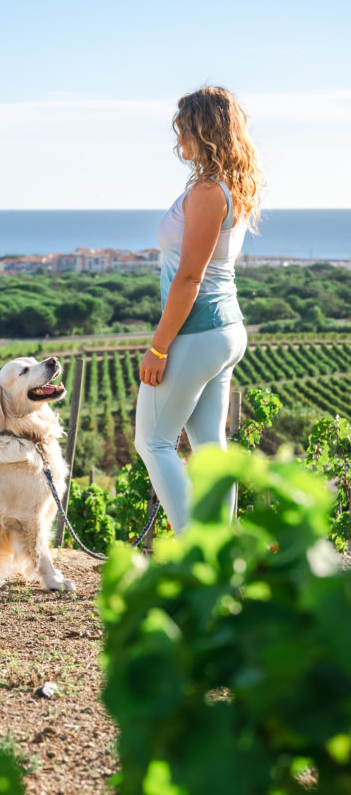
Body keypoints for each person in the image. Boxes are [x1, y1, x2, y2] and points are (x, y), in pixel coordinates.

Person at [134, 86, 263, 533]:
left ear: (203, 130)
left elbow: (189, 278)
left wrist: (159, 347)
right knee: (210, 445)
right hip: (224, 330)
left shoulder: (209, 193)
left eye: (183, 131)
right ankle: (220, 559)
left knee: (153, 442)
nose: (178, 142)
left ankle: (197, 560)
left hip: (197, 332)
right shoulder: (232, 187)